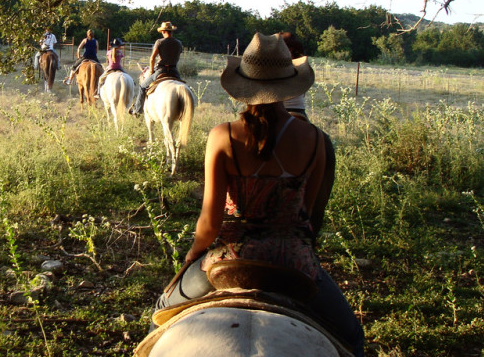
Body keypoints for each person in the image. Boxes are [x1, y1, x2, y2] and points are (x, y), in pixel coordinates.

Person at [153, 32, 365, 357]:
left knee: (162, 310)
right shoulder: (318, 141)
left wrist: (192, 255)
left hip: (230, 258)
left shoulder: (222, 136)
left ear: (243, 85)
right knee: (352, 336)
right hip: (294, 261)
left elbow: (210, 223)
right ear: (290, 84)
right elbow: (307, 217)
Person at [129, 21, 182, 115]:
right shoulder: (178, 43)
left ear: (163, 31)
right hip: (174, 70)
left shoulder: (160, 42)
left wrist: (152, 71)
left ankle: (137, 110)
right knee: (183, 88)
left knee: (142, 86)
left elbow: (152, 58)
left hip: (161, 70)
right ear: (171, 31)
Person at [279, 31, 308, 120]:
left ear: (289, 50)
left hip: (281, 111)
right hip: (299, 111)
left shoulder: (278, 67)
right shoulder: (302, 67)